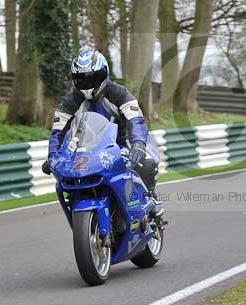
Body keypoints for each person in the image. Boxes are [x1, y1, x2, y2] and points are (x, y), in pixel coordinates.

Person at [41, 48, 160, 203]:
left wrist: (138, 144)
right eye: (81, 79)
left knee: (147, 162)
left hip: (121, 145)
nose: (87, 84)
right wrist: (52, 156)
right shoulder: (69, 102)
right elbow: (57, 132)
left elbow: (135, 120)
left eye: (93, 77)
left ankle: (150, 200)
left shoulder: (120, 93)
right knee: (68, 180)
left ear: (105, 73)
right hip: (85, 152)